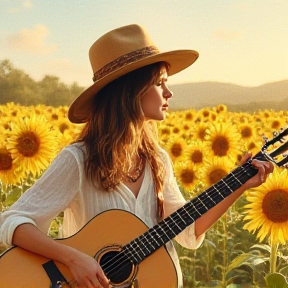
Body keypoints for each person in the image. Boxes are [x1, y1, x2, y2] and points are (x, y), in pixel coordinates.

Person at [0, 24, 274, 288]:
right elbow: (11, 222)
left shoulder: (158, 160)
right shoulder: (79, 159)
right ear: (131, 92)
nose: (169, 92)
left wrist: (239, 185)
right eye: (160, 83)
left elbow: (187, 231)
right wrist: (74, 259)